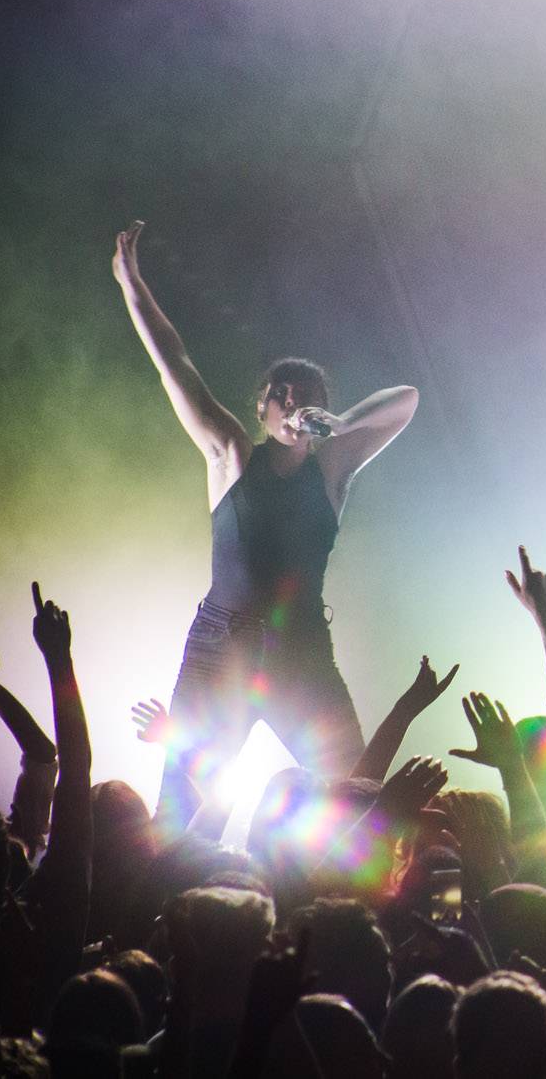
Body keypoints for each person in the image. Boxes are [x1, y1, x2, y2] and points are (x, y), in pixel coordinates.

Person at [111, 220, 419, 833]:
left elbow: (406, 399)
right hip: (219, 647)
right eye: (279, 392)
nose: (289, 398)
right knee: (183, 800)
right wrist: (131, 284)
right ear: (261, 407)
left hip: (301, 651)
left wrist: (339, 421)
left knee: (353, 792)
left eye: (302, 392)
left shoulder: (332, 467)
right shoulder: (229, 453)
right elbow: (175, 363)